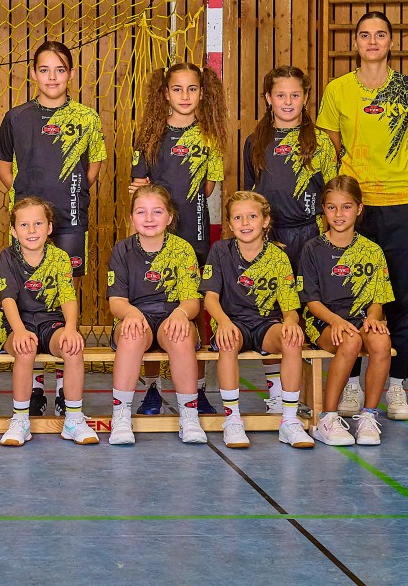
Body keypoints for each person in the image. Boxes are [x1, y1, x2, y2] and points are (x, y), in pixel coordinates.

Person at [316, 10, 408, 421]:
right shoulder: (338, 89)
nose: (372, 41)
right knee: (350, 295)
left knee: (399, 296)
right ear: (356, 42)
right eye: (365, 34)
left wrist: (400, 174)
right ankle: (351, 382)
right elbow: (332, 144)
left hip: (401, 204)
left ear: (391, 42)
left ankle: (396, 385)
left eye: (380, 34)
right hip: (356, 206)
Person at [0, 41, 106, 417]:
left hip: (70, 218)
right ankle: (36, 389)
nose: (52, 77)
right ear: (33, 74)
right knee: (28, 295)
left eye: (59, 69)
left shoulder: (87, 117)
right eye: (44, 69)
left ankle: (61, 388)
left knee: (62, 294)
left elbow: (94, 164)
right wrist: (23, 198)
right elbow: (2, 164)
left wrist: (73, 191)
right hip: (29, 221)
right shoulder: (16, 117)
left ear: (71, 74)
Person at [129, 61, 228, 416]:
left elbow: (209, 187)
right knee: (150, 305)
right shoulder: (148, 136)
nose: (185, 96)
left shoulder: (210, 137)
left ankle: (197, 390)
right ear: (165, 93)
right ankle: (152, 389)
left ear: (202, 93)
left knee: (194, 312)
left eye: (192, 89)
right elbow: (139, 187)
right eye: (177, 89)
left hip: (194, 233)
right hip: (154, 233)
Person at [243, 66, 337, 412]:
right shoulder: (255, 142)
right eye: (280, 95)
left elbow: (331, 195)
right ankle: (275, 394)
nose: (287, 101)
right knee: (271, 313)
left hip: (309, 236)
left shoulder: (320, 142)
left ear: (306, 98)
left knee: (308, 315)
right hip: (270, 239)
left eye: (295, 95)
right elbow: (250, 195)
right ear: (268, 98)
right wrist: (259, 236)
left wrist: (325, 240)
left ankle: (305, 396)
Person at [203, 191, 313, 450]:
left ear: (265, 221)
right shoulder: (220, 251)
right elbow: (210, 299)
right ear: (230, 224)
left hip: (266, 324)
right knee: (228, 342)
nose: (245, 223)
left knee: (291, 338)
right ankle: (232, 420)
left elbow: (290, 307)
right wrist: (223, 322)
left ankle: (289, 420)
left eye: (252, 216)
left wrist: (290, 322)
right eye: (237, 218)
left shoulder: (278, 256)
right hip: (233, 323)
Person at [106, 185, 206, 446]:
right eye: (141, 212)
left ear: (169, 217)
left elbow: (192, 300)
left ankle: (189, 416)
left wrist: (181, 313)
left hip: (171, 316)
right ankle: (121, 416)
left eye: (157, 212)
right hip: (135, 316)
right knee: (131, 334)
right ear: (131, 217)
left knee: (181, 335)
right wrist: (131, 313)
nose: (149, 218)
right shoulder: (122, 250)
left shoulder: (183, 249)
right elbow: (116, 301)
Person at [0, 197, 99, 447]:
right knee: (25, 348)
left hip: (51, 322)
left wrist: (71, 329)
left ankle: (73, 419)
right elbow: (8, 300)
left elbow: (68, 298)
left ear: (49, 227)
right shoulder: (8, 257)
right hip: (17, 323)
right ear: (13, 231)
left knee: (72, 348)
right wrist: (19, 331)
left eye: (38, 223)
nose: (32, 230)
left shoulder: (60, 257)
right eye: (24, 225)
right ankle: (20, 420)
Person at [299, 176, 394, 446]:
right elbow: (311, 302)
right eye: (332, 207)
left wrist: (373, 318)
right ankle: (327, 418)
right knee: (349, 340)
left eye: (346, 207)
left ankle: (368, 416)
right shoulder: (312, 249)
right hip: (324, 320)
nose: (339, 214)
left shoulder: (372, 251)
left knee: (381, 340)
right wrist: (336, 321)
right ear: (323, 209)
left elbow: (378, 298)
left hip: (360, 318)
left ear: (359, 208)